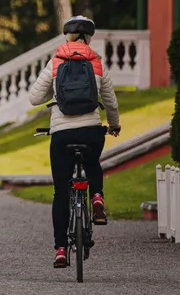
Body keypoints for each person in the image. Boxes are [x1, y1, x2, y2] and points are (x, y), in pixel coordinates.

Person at [27, 15, 121, 269]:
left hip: (62, 134)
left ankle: (60, 249)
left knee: (60, 192)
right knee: (92, 163)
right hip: (91, 130)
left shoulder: (56, 61)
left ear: (66, 36)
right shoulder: (96, 62)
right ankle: (97, 197)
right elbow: (110, 101)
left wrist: (54, 90)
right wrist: (113, 125)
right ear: (89, 37)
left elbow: (34, 98)